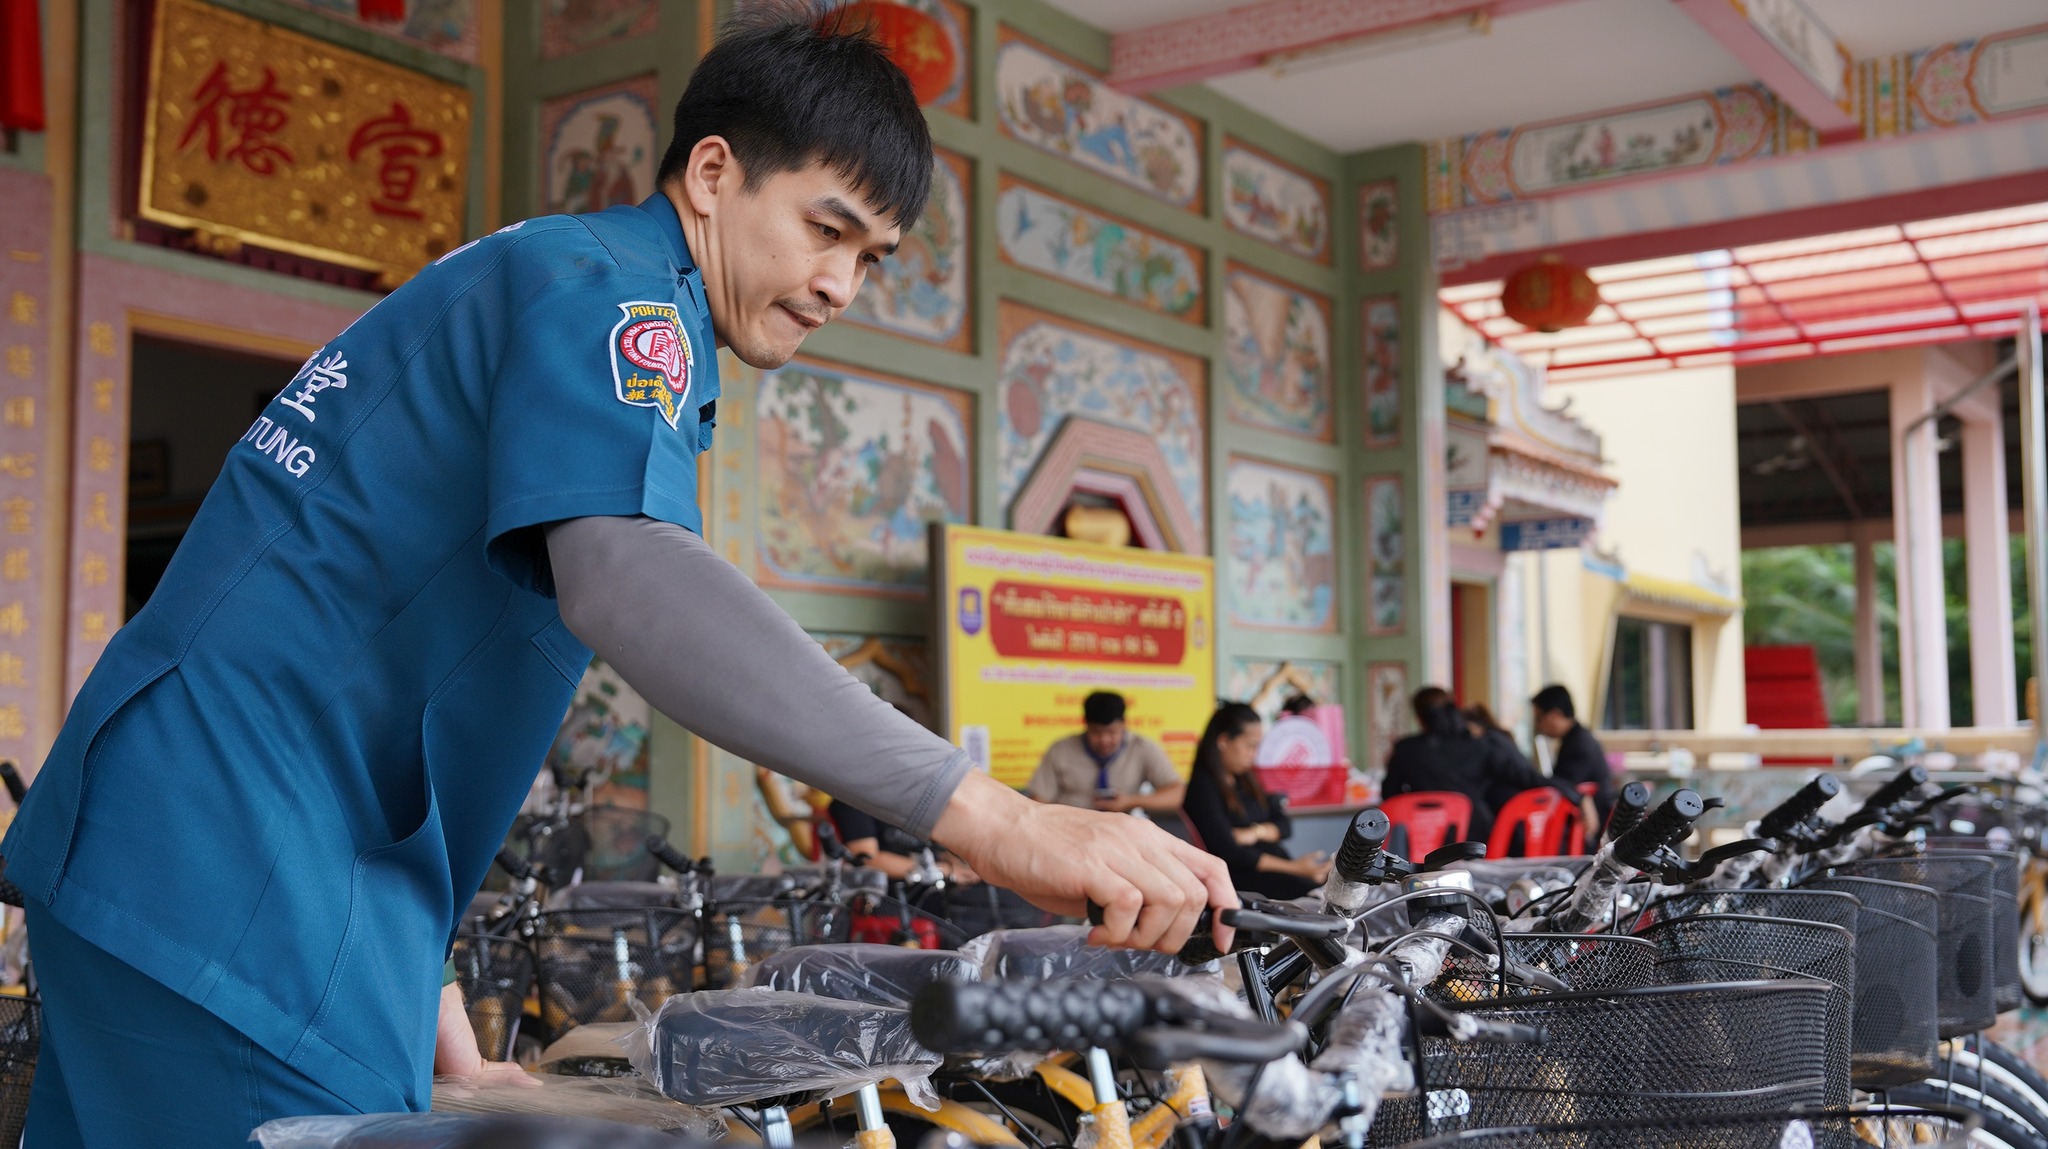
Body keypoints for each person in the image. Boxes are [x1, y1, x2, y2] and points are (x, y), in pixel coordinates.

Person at [3, 13, 1235, 1146]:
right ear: (712, 174)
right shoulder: (616, 294)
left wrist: (433, 1017)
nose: (839, 287)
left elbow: (365, 658)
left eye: (871, 258)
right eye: (824, 230)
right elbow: (627, 576)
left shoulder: (560, 281)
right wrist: (1001, 819)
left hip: (209, 845)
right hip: (231, 868)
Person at [1382, 687, 1579, 845]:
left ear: (1419, 717)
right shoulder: (1479, 746)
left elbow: (1389, 794)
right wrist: (1572, 792)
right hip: (1475, 839)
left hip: (1423, 839)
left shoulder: (1405, 749)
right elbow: (1525, 777)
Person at [1181, 703, 1331, 900]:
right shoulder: (1203, 787)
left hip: (1276, 871)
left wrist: (1254, 833)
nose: (1254, 754)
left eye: (1257, 746)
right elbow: (1230, 851)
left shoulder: (1246, 780)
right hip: (1241, 881)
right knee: (1317, 896)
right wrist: (1295, 868)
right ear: (1223, 741)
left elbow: (1284, 826)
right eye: (1249, 746)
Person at [1025, 691, 1187, 814]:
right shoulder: (1061, 749)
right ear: (1085, 725)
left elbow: (1178, 794)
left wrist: (1131, 801)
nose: (1104, 740)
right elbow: (1038, 802)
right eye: (1096, 732)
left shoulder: (1142, 748)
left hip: (1122, 831)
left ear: (1124, 724)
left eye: (1112, 732)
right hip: (1070, 829)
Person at [1531, 684, 1616, 825]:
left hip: (1591, 826)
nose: (1538, 726)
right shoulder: (1577, 738)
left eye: (1539, 718)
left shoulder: (1578, 745)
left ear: (1555, 714)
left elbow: (1564, 787)